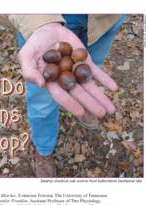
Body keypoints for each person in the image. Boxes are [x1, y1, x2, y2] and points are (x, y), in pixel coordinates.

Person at [7, 14, 126, 177]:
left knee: (92, 65)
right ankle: (44, 149)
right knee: (42, 99)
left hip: (106, 19)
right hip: (48, 16)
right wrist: (38, 20)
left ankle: (81, 104)